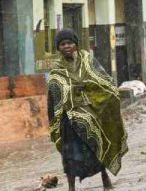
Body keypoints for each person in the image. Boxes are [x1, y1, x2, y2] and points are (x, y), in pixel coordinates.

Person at [47, 29, 128, 191]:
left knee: (97, 146)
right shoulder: (56, 71)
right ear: (58, 48)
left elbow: (105, 82)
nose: (66, 46)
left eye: (69, 43)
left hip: (92, 115)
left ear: (76, 44)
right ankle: (71, 187)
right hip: (68, 121)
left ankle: (106, 180)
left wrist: (89, 92)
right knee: (70, 156)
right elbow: (53, 96)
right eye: (62, 44)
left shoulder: (88, 61)